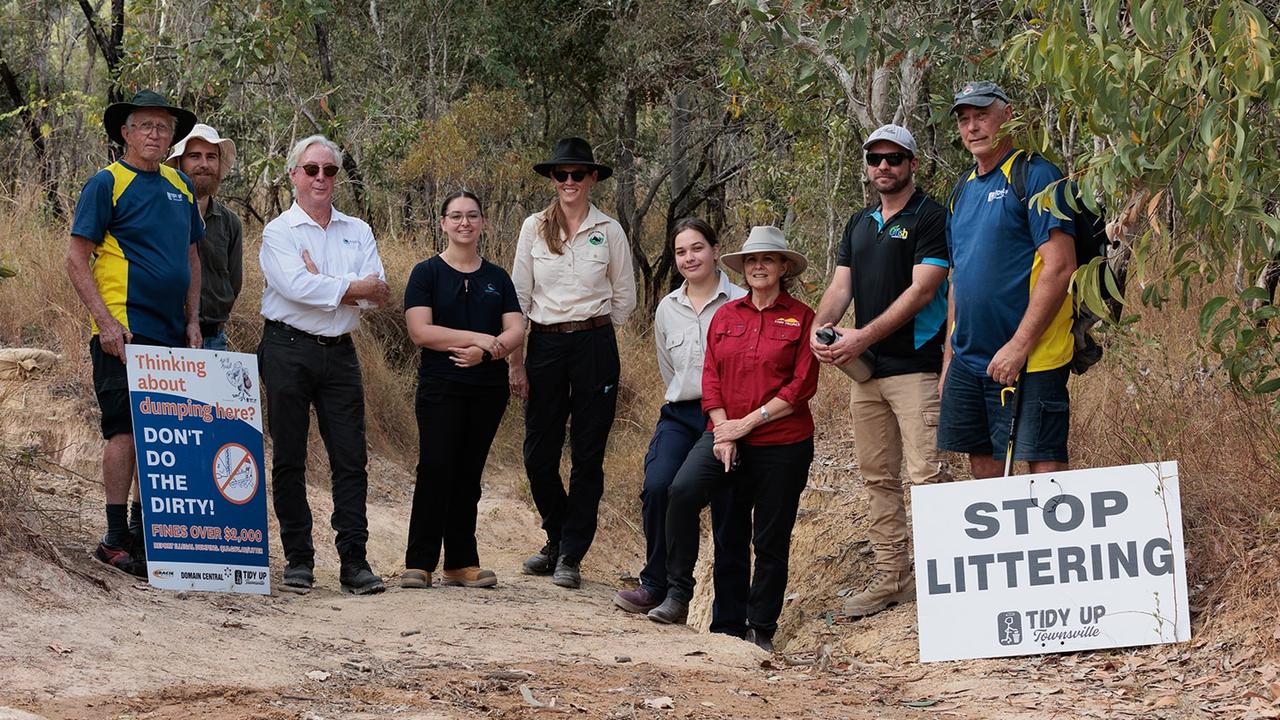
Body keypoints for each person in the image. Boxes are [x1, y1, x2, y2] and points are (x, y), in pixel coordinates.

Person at [647, 226, 819, 653]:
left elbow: (801, 386)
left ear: (783, 267)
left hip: (783, 444)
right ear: (742, 268)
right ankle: (694, 604)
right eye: (751, 261)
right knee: (687, 496)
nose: (758, 266)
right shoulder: (727, 316)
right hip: (726, 437)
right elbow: (711, 377)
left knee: (770, 539)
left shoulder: (803, 317)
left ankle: (760, 628)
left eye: (768, 259)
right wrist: (724, 430)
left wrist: (748, 424)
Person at [811, 124, 953, 619]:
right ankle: (893, 578)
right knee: (877, 477)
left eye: (894, 158)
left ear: (913, 163)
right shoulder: (858, 223)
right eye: (875, 159)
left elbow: (923, 291)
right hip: (865, 374)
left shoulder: (932, 217)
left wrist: (861, 336)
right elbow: (840, 287)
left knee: (925, 476)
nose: (884, 167)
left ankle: (942, 582)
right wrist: (821, 327)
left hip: (915, 368)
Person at [65, 90, 202, 577]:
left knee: (162, 435)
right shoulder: (106, 183)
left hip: (171, 336)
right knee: (123, 430)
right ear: (124, 133)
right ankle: (114, 537)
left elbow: (191, 257)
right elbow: (76, 257)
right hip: (123, 333)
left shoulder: (180, 185)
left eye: (163, 127)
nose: (155, 134)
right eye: (144, 126)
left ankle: (151, 535)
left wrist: (192, 321)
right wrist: (105, 322)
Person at [258, 134, 391, 596]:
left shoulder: (359, 229)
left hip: (340, 352)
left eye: (329, 171)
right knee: (290, 457)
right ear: (294, 174)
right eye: (311, 169)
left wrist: (329, 283)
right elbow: (295, 288)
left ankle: (354, 562)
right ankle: (299, 559)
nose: (320, 178)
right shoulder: (279, 232)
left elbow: (379, 293)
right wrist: (351, 287)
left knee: (350, 460)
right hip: (287, 348)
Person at [612, 218, 752, 637]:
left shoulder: (741, 301)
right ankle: (657, 585)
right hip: (681, 413)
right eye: (680, 252)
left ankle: (729, 618)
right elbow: (667, 368)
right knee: (658, 486)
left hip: (727, 417)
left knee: (728, 508)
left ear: (714, 249)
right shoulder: (667, 307)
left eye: (697, 248)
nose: (689, 258)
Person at [512, 137, 637, 590]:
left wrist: (596, 333)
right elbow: (520, 298)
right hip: (544, 345)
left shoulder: (611, 231)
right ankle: (556, 534)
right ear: (552, 179)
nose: (569, 182)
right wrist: (516, 361)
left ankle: (570, 554)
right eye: (561, 175)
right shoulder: (533, 228)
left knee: (588, 454)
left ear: (593, 179)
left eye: (578, 174)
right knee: (538, 453)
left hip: (594, 346)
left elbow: (624, 296)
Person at [939, 81, 1076, 478]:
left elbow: (1060, 266)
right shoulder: (960, 191)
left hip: (1033, 356)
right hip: (970, 359)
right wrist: (950, 359)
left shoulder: (1036, 175)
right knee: (982, 462)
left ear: (1008, 115)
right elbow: (957, 278)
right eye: (964, 120)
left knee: (1041, 461)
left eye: (982, 116)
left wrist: (1019, 345)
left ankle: (1053, 540)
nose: (973, 127)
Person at [401, 190, 525, 590]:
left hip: (487, 389)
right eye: (456, 216)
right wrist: (480, 339)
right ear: (443, 223)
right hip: (441, 386)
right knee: (436, 467)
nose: (464, 223)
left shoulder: (497, 277)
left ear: (483, 223)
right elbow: (421, 332)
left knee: (469, 474)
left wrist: (487, 355)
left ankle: (460, 563)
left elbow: (517, 329)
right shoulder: (427, 273)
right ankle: (419, 562)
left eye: (472, 216)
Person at [165, 124, 243, 351]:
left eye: (211, 157)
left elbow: (233, 283)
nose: (204, 164)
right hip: (167, 338)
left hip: (214, 340)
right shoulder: (161, 214)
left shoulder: (229, 222)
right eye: (194, 156)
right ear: (179, 163)